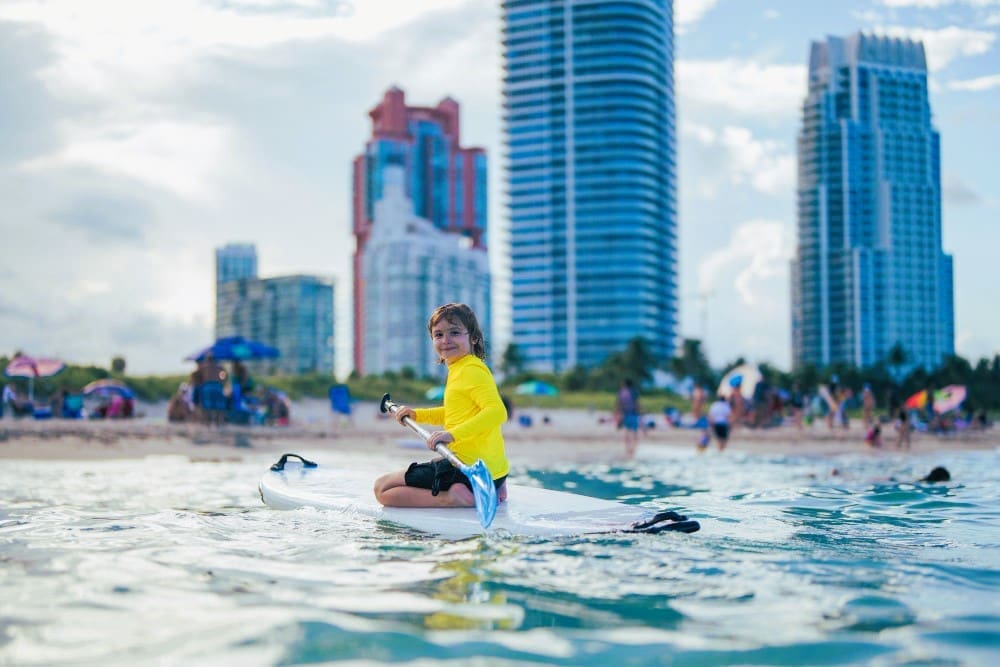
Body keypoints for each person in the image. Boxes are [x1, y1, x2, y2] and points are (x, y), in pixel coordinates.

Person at [374, 303, 509, 508]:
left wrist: (451, 435)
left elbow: (497, 412)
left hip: (464, 469)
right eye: (438, 335)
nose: (445, 340)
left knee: (382, 489)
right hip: (493, 472)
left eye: (454, 332)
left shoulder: (470, 370)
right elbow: (454, 413)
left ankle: (454, 497)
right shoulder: (463, 368)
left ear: (473, 337)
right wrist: (416, 414)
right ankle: (496, 485)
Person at [614, 379, 641, 458]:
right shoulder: (633, 392)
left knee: (627, 431)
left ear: (624, 384)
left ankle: (627, 449)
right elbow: (637, 403)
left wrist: (617, 414)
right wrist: (640, 412)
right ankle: (633, 449)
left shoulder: (621, 393)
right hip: (633, 414)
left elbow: (618, 404)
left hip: (624, 414)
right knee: (634, 432)